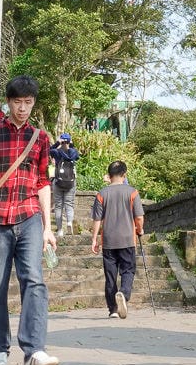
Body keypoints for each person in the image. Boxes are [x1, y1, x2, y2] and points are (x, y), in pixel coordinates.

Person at [0, 76, 60, 365]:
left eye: (28, 102)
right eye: (17, 102)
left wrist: (47, 227)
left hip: (29, 214)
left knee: (34, 280)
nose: (22, 108)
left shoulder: (40, 138)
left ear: (34, 103)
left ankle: (34, 350)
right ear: (8, 102)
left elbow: (43, 182)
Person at [89, 160, 144, 319]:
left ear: (109, 175)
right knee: (128, 270)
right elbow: (139, 217)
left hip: (108, 240)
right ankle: (124, 294)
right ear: (124, 174)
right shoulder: (132, 192)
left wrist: (94, 239)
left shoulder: (101, 194)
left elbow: (97, 219)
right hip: (127, 239)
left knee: (110, 275)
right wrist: (139, 229)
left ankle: (113, 309)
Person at [49, 132, 80, 237]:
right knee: (69, 204)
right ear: (69, 141)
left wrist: (57, 143)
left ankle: (60, 230)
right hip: (70, 182)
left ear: (61, 141)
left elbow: (48, 150)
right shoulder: (73, 152)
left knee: (58, 206)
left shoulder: (56, 152)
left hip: (58, 182)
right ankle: (69, 222)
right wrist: (70, 144)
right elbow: (76, 156)